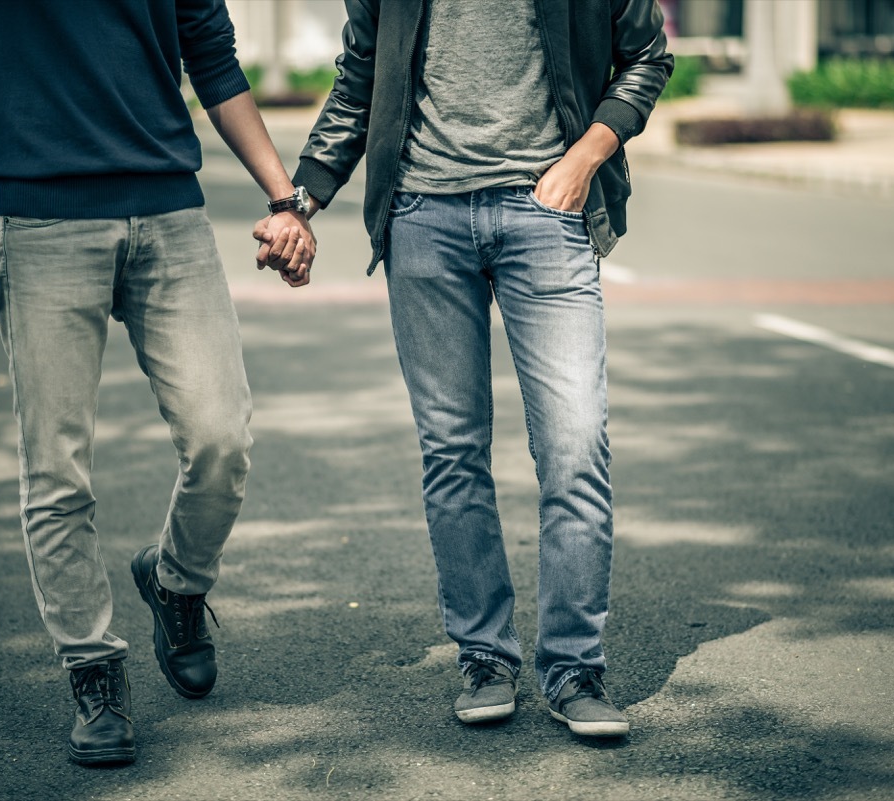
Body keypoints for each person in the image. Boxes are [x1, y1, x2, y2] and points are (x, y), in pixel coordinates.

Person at [0, 0, 314, 766]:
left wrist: (284, 198)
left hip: (169, 212)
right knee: (57, 469)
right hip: (41, 221)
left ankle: (177, 583)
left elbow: (213, 56)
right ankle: (93, 670)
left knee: (221, 436)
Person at [257, 0, 671, 737]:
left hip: (546, 214)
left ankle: (575, 667)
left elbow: (646, 57)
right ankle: (485, 654)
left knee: (575, 446)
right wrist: (301, 200)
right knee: (452, 451)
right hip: (424, 217)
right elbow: (362, 76)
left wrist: (583, 160)